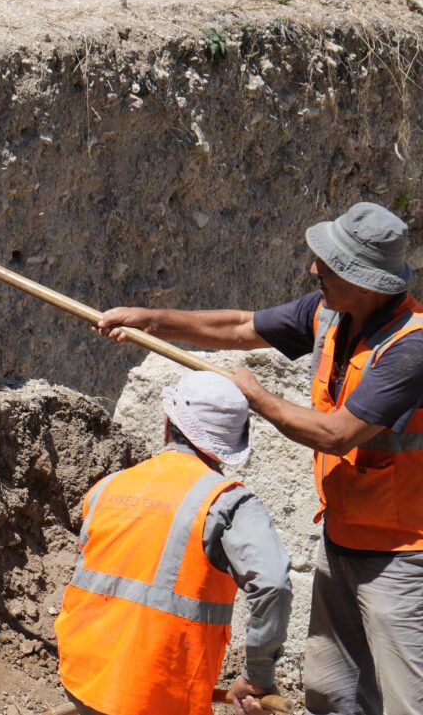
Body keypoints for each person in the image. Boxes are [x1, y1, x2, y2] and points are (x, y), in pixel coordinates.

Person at [97, 202, 423, 715]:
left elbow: (337, 435)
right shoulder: (331, 312)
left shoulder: (409, 350)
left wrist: (257, 396)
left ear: (365, 282)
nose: (313, 269)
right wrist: (153, 320)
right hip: (341, 540)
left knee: (407, 699)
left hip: (403, 558)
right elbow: (242, 326)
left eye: (328, 264)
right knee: (332, 690)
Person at [56, 371, 292, 715]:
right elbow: (273, 585)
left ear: (168, 422)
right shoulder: (225, 503)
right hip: (161, 693)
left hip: (82, 673)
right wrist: (257, 678)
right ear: (229, 446)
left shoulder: (108, 487)